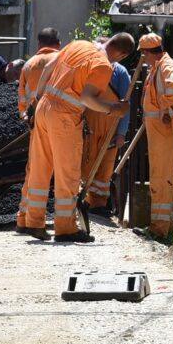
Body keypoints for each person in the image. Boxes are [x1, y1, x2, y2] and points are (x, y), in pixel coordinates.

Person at [20, 33, 135, 243]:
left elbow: (47, 70)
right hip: (65, 115)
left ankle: (33, 222)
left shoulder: (79, 44)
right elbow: (87, 98)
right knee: (68, 173)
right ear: (122, 54)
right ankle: (65, 229)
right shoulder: (102, 66)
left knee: (40, 166)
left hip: (44, 106)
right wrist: (114, 109)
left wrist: (35, 101)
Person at [136, 33, 173, 240]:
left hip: (165, 131)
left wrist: (160, 107)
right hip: (160, 131)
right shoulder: (160, 67)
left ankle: (160, 228)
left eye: (143, 54)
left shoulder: (166, 67)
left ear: (147, 52)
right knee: (162, 175)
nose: (143, 58)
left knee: (161, 176)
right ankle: (165, 224)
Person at [14, 28, 61, 228]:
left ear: (39, 44)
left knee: (34, 171)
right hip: (60, 121)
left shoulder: (29, 64)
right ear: (57, 43)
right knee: (63, 172)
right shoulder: (63, 60)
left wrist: (26, 117)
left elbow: (22, 98)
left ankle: (25, 218)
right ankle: (65, 220)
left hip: (36, 123)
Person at [80, 56, 131, 215]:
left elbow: (125, 105)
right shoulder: (90, 68)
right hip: (89, 126)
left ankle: (98, 203)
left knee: (105, 167)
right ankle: (82, 199)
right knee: (85, 163)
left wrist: (121, 133)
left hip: (111, 128)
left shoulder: (120, 72)